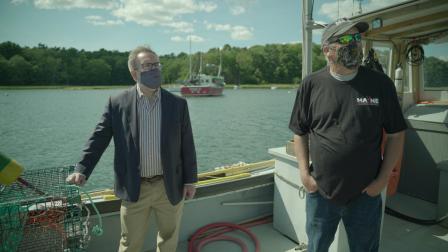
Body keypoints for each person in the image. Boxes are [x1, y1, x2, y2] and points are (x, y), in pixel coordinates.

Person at [289, 18, 407, 252]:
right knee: (317, 247)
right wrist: (304, 174)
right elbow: (299, 132)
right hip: (321, 192)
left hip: (366, 195)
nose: (354, 43)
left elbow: (396, 134)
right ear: (327, 50)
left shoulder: (380, 84)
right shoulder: (311, 84)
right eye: (344, 39)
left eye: (356, 38)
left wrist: (382, 180)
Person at [66, 45, 198, 252]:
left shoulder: (177, 104)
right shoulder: (117, 103)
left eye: (157, 64)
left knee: (169, 239)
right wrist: (82, 168)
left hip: (170, 186)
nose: (155, 69)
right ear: (134, 72)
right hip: (134, 188)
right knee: (130, 243)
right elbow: (99, 138)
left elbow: (187, 144)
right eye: (148, 65)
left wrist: (190, 180)